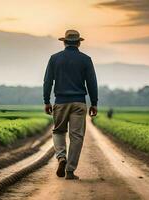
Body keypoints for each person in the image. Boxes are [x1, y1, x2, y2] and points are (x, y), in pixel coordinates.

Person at [43, 30, 98, 180]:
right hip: (79, 102)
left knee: (58, 131)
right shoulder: (86, 59)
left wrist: (46, 101)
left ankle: (61, 157)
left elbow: (48, 81)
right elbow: (92, 83)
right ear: (79, 43)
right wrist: (94, 103)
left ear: (64, 42)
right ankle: (70, 170)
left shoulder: (54, 59)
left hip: (60, 102)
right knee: (77, 137)